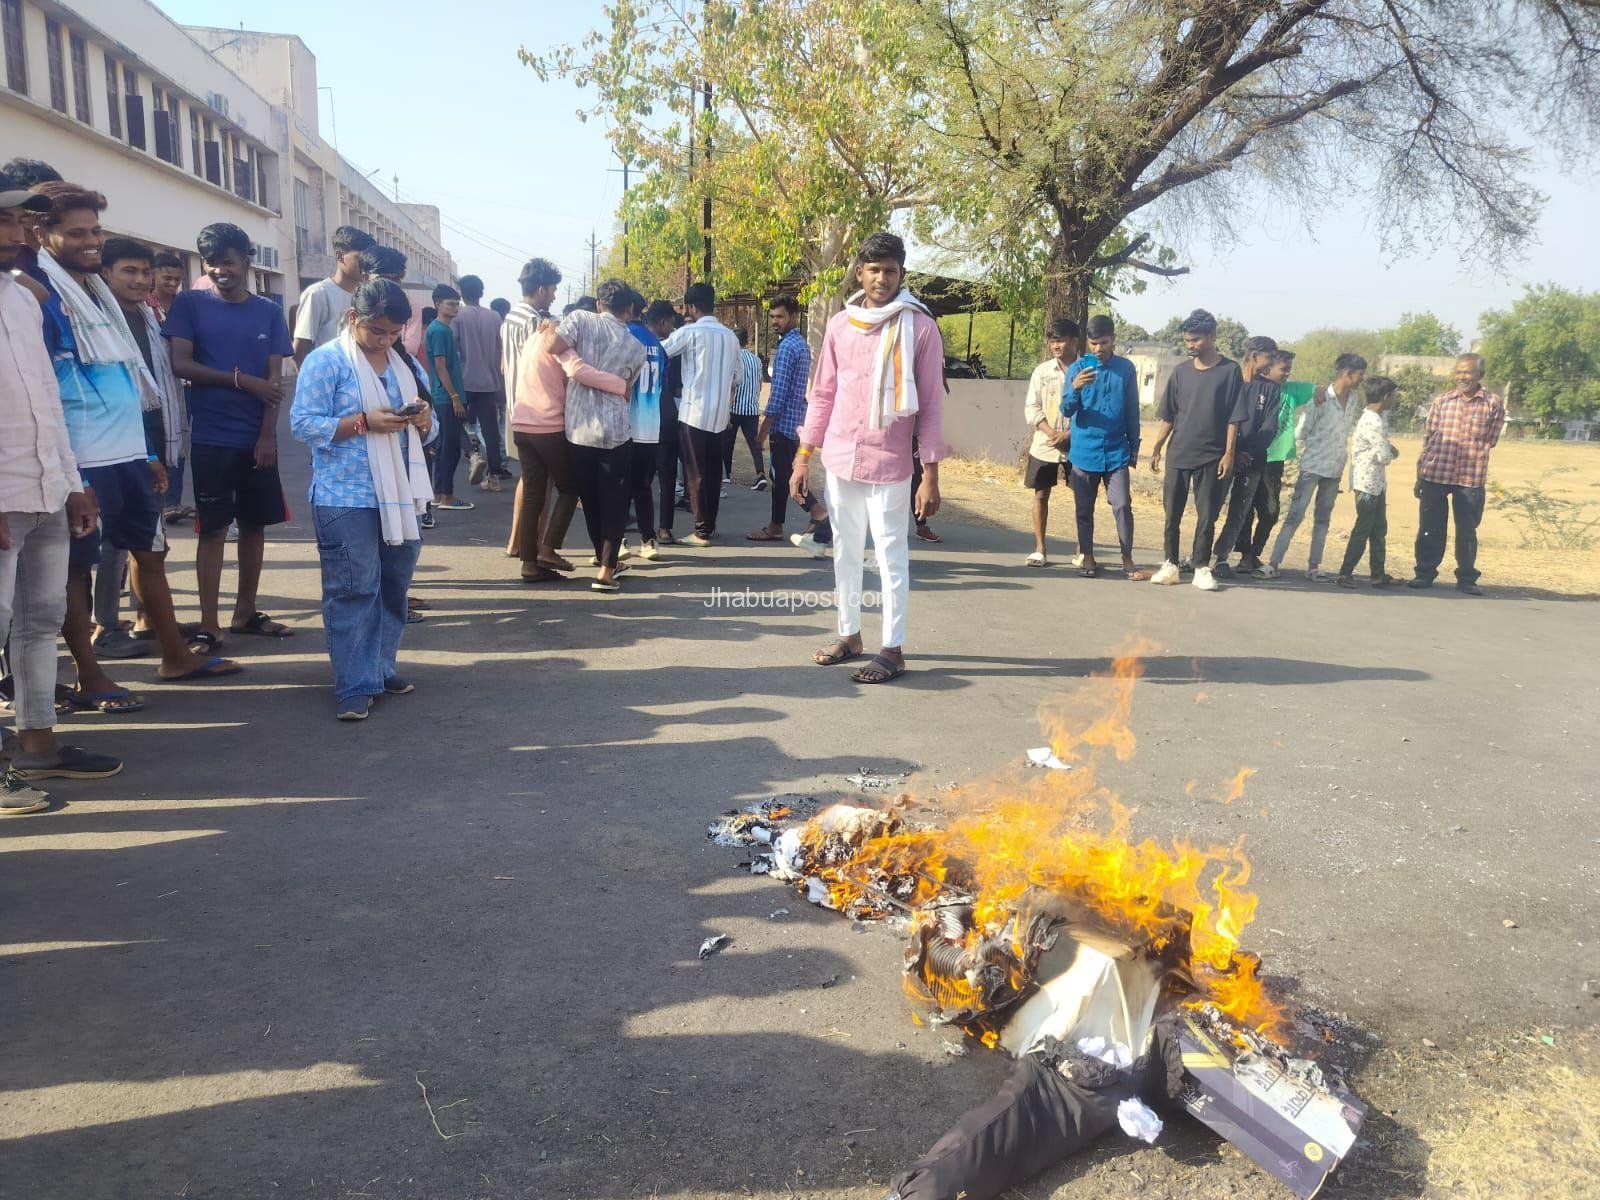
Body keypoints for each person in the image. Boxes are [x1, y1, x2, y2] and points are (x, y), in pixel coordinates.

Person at [33, 186, 238, 696]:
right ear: (43, 235)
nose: (90, 241)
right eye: (76, 233)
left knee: (150, 555)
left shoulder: (100, 298)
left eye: (95, 231)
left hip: (129, 455)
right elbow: (45, 394)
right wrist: (71, 476)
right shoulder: (43, 299)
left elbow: (127, 382)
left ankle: (175, 657)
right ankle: (90, 675)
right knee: (76, 572)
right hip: (82, 463)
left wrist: (146, 453)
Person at [0, 177, 121, 812]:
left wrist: (73, 483)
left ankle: (37, 744)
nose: (17, 233)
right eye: (6, 222)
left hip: (44, 485)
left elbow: (47, 398)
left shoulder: (23, 298)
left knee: (40, 620)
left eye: (19, 220)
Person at [792, 231, 944, 685]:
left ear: (901, 274)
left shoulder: (920, 328)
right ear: (859, 273)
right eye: (873, 270)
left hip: (890, 464)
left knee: (890, 555)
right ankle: (850, 635)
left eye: (890, 271)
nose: (881, 278)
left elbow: (932, 406)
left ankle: (892, 649)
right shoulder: (841, 325)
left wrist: (930, 474)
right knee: (845, 550)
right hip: (841, 458)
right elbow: (822, 394)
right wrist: (804, 456)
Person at [290, 280, 435, 720]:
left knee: (393, 588)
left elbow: (431, 432)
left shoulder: (406, 364)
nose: (385, 340)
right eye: (377, 331)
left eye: (394, 333)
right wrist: (362, 423)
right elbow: (303, 424)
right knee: (353, 589)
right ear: (354, 317)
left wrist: (425, 422)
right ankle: (355, 682)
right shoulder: (326, 361)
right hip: (345, 494)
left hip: (401, 497)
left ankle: (380, 667)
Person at [164, 221, 294, 650]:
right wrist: (240, 380)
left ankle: (245, 612)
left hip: (256, 438)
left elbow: (274, 382)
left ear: (246, 261)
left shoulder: (268, 312)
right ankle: (209, 624)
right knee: (213, 530)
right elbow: (180, 364)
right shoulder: (190, 303)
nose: (220, 270)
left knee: (254, 526)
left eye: (228, 262)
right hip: (211, 438)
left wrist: (267, 436)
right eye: (211, 262)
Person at [94, 237, 190, 655]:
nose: (139, 280)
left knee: (149, 540)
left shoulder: (150, 317)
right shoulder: (98, 320)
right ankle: (105, 626)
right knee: (114, 543)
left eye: (144, 272)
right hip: (115, 444)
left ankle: (147, 617)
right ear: (106, 273)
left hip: (156, 437)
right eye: (128, 271)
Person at [508, 281, 628, 583]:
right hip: (547, 424)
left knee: (534, 493)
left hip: (522, 421)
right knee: (570, 487)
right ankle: (548, 549)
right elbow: (577, 371)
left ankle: (529, 563)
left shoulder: (535, 337)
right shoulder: (557, 339)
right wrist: (620, 385)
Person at [1147, 310, 1246, 591]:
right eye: (1188, 340)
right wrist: (1157, 447)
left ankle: (1202, 567)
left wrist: (1229, 453)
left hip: (1212, 456)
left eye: (1196, 340)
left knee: (1207, 515)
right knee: (1172, 514)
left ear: (1212, 336)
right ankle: (1170, 564)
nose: (1190, 345)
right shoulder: (1180, 372)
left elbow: (1234, 417)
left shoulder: (1230, 371)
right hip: (1179, 453)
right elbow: (1169, 415)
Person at [558, 279, 646, 591]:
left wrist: (578, 369)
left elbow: (553, 347)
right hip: (615, 433)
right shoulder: (637, 348)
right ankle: (607, 568)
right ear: (630, 309)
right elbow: (626, 391)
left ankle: (602, 557)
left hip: (579, 430)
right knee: (614, 502)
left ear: (599, 304)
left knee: (591, 499)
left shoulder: (579, 321)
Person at [1260, 352, 1366, 581]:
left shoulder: (1353, 399)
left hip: (1334, 468)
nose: (1361, 379)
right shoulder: (1321, 398)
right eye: (1360, 375)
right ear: (1348, 374)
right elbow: (1302, 431)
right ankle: (1273, 564)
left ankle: (1314, 567)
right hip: (1312, 467)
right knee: (1295, 516)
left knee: (1323, 520)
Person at [1409, 352, 1505, 595]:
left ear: (1480, 375)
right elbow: (1429, 437)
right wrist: (1420, 474)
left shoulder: (1492, 403)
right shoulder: (1442, 401)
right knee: (1430, 528)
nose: (1462, 377)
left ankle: (1466, 578)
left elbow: (1491, 439)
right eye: (1459, 372)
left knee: (1467, 531)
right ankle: (1424, 573)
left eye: (1468, 372)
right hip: (1435, 473)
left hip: (1470, 477)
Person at [1062, 315, 1148, 579]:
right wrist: (1075, 388)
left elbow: (1132, 410)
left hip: (1116, 451)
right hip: (1084, 452)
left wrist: (1134, 446)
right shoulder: (1077, 369)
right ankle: (1087, 556)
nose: (1098, 349)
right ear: (1087, 343)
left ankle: (1127, 557)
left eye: (1104, 343)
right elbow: (1066, 409)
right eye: (1094, 343)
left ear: (1113, 340)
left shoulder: (1126, 369)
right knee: (1084, 509)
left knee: (1122, 505)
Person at [661, 283, 739, 547]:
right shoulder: (731, 337)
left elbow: (660, 351)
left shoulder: (690, 332)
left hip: (693, 412)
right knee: (714, 473)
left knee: (695, 474)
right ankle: (710, 526)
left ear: (691, 307)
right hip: (720, 416)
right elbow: (737, 376)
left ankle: (701, 532)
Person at [748, 294, 824, 546]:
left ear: (793, 316)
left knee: (783, 477)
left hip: (784, 424)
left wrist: (762, 432)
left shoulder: (788, 347)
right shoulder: (800, 344)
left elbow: (778, 394)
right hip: (795, 421)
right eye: (772, 317)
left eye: (780, 316)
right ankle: (780, 524)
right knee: (783, 476)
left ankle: (816, 513)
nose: (775, 321)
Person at [502, 258, 561, 557]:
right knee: (541, 482)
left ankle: (517, 541)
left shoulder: (509, 319)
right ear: (540, 289)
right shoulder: (535, 323)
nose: (553, 296)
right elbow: (545, 364)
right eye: (552, 290)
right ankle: (532, 545)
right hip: (537, 409)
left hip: (516, 405)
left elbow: (503, 365)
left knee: (529, 477)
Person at [1208, 335, 1279, 579]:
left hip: (1253, 460)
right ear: (1254, 356)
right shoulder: (1230, 380)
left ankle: (1220, 558)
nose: (1272, 362)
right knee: (1212, 506)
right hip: (1224, 457)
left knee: (1239, 511)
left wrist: (1247, 453)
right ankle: (1199, 554)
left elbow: (1269, 428)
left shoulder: (1270, 389)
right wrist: (1233, 452)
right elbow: (1217, 419)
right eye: (1270, 357)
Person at [1235, 349, 1305, 572]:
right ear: (1269, 368)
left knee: (1270, 511)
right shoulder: (1253, 389)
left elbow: (1322, 390)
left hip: (1274, 459)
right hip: (1249, 456)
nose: (1287, 374)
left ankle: (1254, 552)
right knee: (1245, 510)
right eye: (1283, 369)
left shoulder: (1287, 391)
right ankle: (1245, 555)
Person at [1337, 376, 1405, 589]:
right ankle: (1345, 573)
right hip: (1367, 483)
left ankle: (1378, 574)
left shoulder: (1377, 416)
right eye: (1393, 396)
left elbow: (1381, 448)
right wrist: (1391, 452)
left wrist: (1387, 449)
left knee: (1378, 529)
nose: (1394, 400)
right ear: (1385, 396)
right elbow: (1384, 456)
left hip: (1376, 483)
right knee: (1363, 529)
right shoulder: (1373, 421)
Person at [1021, 319, 1075, 567]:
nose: (1056, 345)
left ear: (1074, 341)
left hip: (1078, 444)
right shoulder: (1042, 372)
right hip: (1045, 443)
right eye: (1053, 341)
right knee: (1041, 494)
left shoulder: (1086, 370)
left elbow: (1093, 409)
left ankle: (1083, 551)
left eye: (1061, 340)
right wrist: (1051, 433)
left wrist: (1069, 435)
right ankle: (1040, 549)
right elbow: (1032, 407)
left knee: (1082, 496)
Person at [452, 274, 508, 488]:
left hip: (464, 381)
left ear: (461, 294)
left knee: (457, 424)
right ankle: (494, 474)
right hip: (490, 381)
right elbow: (501, 350)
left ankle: (473, 455)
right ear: (482, 293)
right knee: (490, 430)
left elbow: (454, 349)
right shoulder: (495, 317)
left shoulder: (458, 317)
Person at [291, 225, 376, 367]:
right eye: (359, 258)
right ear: (340, 256)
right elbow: (300, 353)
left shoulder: (366, 296)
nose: (365, 265)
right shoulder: (318, 294)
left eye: (368, 260)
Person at [423, 283, 475, 511]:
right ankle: (446, 496)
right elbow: (440, 366)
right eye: (451, 304)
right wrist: (454, 396)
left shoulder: (441, 329)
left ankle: (439, 494)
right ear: (438, 304)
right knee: (450, 448)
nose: (455, 308)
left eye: (457, 304)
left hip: (445, 395)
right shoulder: (440, 330)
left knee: (445, 446)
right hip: (446, 397)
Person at [624, 288, 667, 561]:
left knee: (619, 486)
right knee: (642, 486)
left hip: (625, 424)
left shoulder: (623, 336)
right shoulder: (656, 342)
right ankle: (648, 540)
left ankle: (617, 541)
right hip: (651, 426)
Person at [645, 300, 685, 544]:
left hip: (642, 418)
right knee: (667, 476)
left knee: (641, 479)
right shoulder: (671, 349)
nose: (672, 327)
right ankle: (664, 529)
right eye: (671, 322)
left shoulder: (635, 342)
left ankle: (644, 532)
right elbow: (677, 385)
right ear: (662, 322)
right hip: (666, 413)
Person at [724, 327, 767, 488]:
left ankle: (727, 474)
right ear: (747, 341)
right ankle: (761, 474)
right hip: (752, 409)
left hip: (734, 408)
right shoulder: (756, 360)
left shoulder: (731, 359)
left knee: (728, 442)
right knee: (754, 444)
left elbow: (730, 385)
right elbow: (760, 384)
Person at [149, 250, 184, 322]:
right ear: (153, 274)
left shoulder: (183, 304)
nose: (173, 283)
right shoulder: (143, 304)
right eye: (167, 278)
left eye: (177, 279)